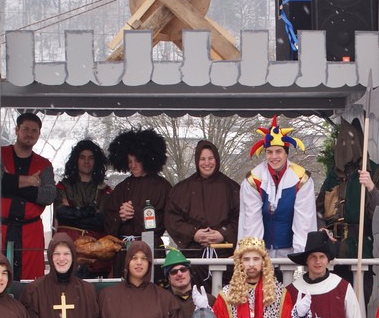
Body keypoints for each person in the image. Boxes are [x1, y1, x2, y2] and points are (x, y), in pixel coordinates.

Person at [315, 118, 379, 304]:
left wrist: (371, 187)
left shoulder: (373, 171)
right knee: (335, 302)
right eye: (342, 142)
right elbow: (318, 210)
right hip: (334, 250)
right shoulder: (334, 175)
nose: (345, 146)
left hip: (360, 247)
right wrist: (322, 227)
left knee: (359, 300)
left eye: (350, 141)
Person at [238, 116, 317, 258]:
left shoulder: (302, 179)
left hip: (290, 250)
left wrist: (300, 259)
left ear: (286, 153)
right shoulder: (253, 180)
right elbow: (251, 224)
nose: (274, 156)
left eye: (278, 151)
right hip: (263, 251)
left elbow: (304, 225)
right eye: (269, 152)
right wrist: (254, 258)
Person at [164, 139, 240, 271]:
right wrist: (194, 233)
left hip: (225, 258)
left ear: (216, 159)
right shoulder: (181, 190)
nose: (207, 163)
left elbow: (241, 218)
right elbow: (172, 220)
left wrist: (223, 234)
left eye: (210, 158)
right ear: (196, 161)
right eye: (202, 159)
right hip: (193, 259)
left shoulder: (232, 188)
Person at [102, 128, 171, 267]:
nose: (133, 166)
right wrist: (120, 217)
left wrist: (136, 213)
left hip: (150, 249)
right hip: (124, 252)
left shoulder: (162, 187)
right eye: (129, 161)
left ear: (147, 159)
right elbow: (107, 220)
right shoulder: (122, 187)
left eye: (137, 161)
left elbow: (165, 222)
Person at [1, 112, 56, 280]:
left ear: (39, 134)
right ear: (17, 130)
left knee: (30, 281)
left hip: (30, 231)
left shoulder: (44, 165)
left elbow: (49, 196)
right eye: (25, 129)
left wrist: (11, 183)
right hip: (1, 227)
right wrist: (30, 182)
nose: (29, 134)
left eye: (34, 130)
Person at [54, 139, 113, 279]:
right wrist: (91, 212)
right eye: (82, 157)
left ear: (96, 161)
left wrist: (73, 214)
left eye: (90, 158)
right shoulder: (63, 187)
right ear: (76, 160)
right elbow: (61, 214)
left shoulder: (105, 190)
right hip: (69, 250)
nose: (86, 161)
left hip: (96, 255)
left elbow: (101, 222)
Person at [161, 247, 213, 318]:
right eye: (174, 272)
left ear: (190, 273)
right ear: (168, 277)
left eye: (183, 269)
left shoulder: (209, 300)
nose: (179, 274)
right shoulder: (162, 301)